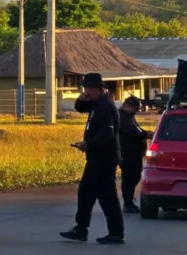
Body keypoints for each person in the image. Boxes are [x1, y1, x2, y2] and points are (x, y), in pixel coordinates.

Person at [61, 73, 126, 245]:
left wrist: (88, 144)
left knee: (107, 197)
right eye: (85, 88)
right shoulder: (97, 103)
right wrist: (81, 99)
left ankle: (116, 233)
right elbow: (80, 108)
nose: (87, 91)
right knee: (86, 194)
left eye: (89, 89)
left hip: (104, 159)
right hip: (97, 159)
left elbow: (107, 134)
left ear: (99, 88)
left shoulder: (105, 106)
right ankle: (81, 229)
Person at [118, 95, 153, 214]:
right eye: (135, 109)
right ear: (128, 106)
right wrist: (146, 134)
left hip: (135, 154)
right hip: (126, 153)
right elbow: (132, 132)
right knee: (129, 178)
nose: (136, 111)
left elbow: (137, 129)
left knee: (135, 176)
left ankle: (129, 199)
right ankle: (128, 203)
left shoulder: (129, 117)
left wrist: (146, 133)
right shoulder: (121, 117)